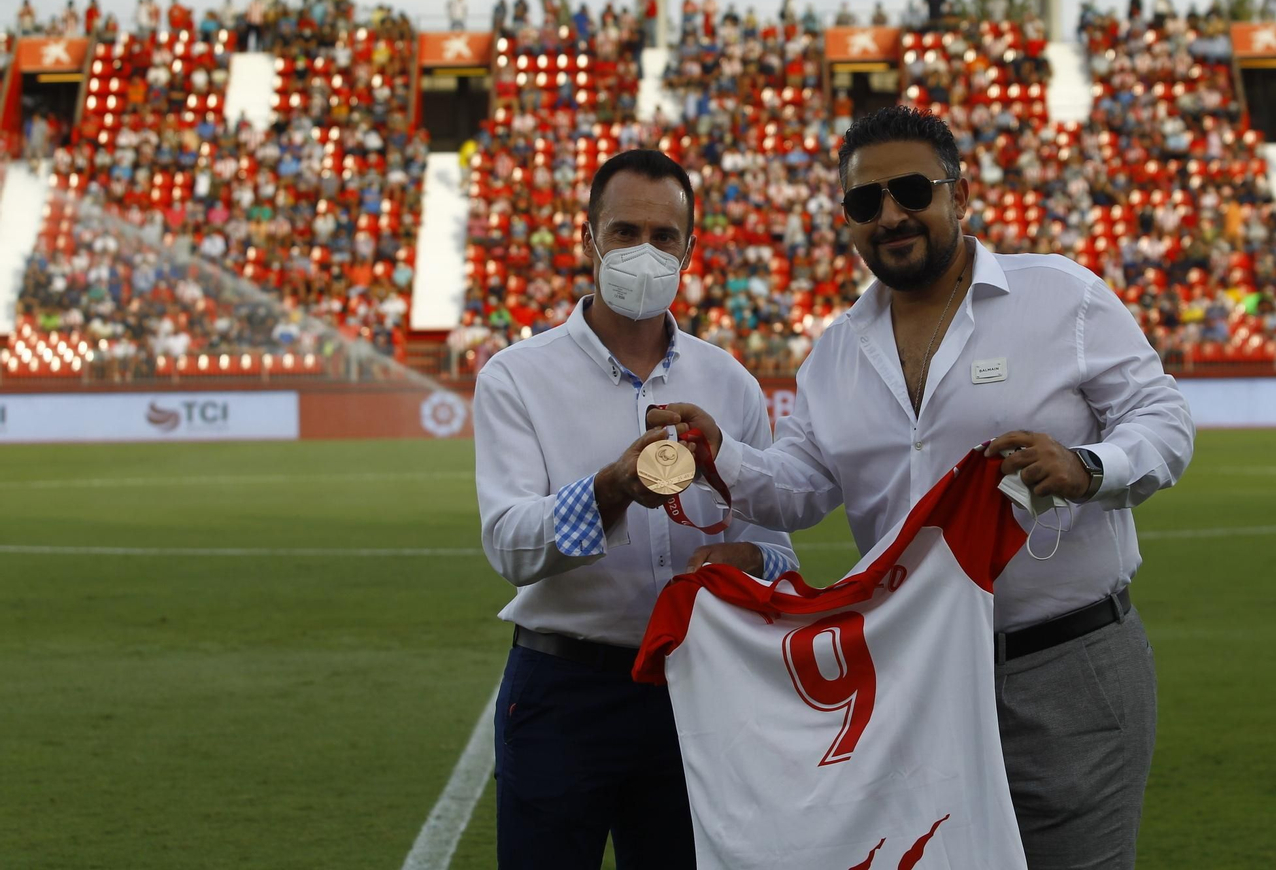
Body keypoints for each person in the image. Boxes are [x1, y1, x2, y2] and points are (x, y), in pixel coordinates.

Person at [652, 105, 1194, 869]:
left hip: (1063, 664)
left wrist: (1087, 466)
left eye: (911, 190)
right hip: (916, 679)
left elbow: (1163, 419)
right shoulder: (835, 352)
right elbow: (799, 488)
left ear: (960, 197)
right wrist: (723, 456)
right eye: (865, 202)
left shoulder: (1061, 297)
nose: (891, 215)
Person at [473, 148, 798, 870]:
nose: (644, 252)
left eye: (663, 236)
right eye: (624, 232)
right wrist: (611, 488)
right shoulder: (517, 378)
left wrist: (751, 558)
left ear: (691, 246)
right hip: (565, 687)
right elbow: (508, 546)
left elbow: (781, 552)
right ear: (588, 237)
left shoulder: (731, 382)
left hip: (697, 687)